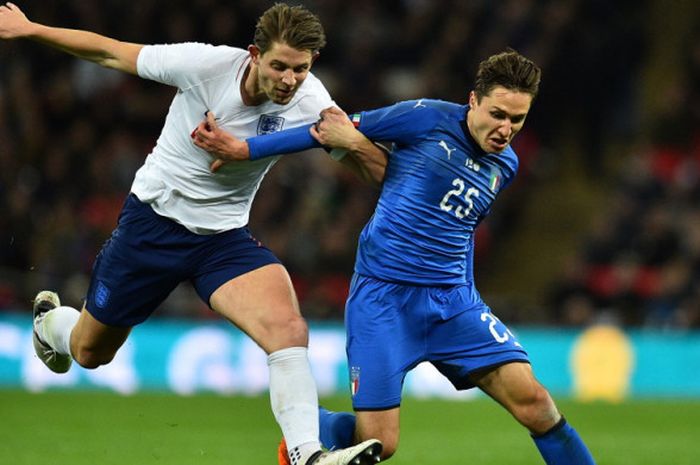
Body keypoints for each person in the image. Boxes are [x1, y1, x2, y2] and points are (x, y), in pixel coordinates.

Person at [0, 3, 384, 465]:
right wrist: (30, 28)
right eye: (279, 65)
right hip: (152, 226)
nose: (288, 79)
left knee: (287, 329)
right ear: (254, 55)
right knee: (88, 351)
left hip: (223, 240)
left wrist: (355, 142)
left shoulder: (313, 103)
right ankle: (49, 325)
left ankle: (307, 454)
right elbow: (111, 53)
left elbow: (374, 169)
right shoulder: (205, 66)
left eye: (300, 69)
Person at [212, 49, 597, 464]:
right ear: (473, 100)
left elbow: (462, 230)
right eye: (498, 114)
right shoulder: (425, 117)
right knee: (381, 444)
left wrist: (465, 292)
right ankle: (304, 431)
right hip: (384, 301)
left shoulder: (506, 164)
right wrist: (244, 149)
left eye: (517, 120)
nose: (505, 129)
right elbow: (331, 128)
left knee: (536, 403)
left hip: (453, 303)